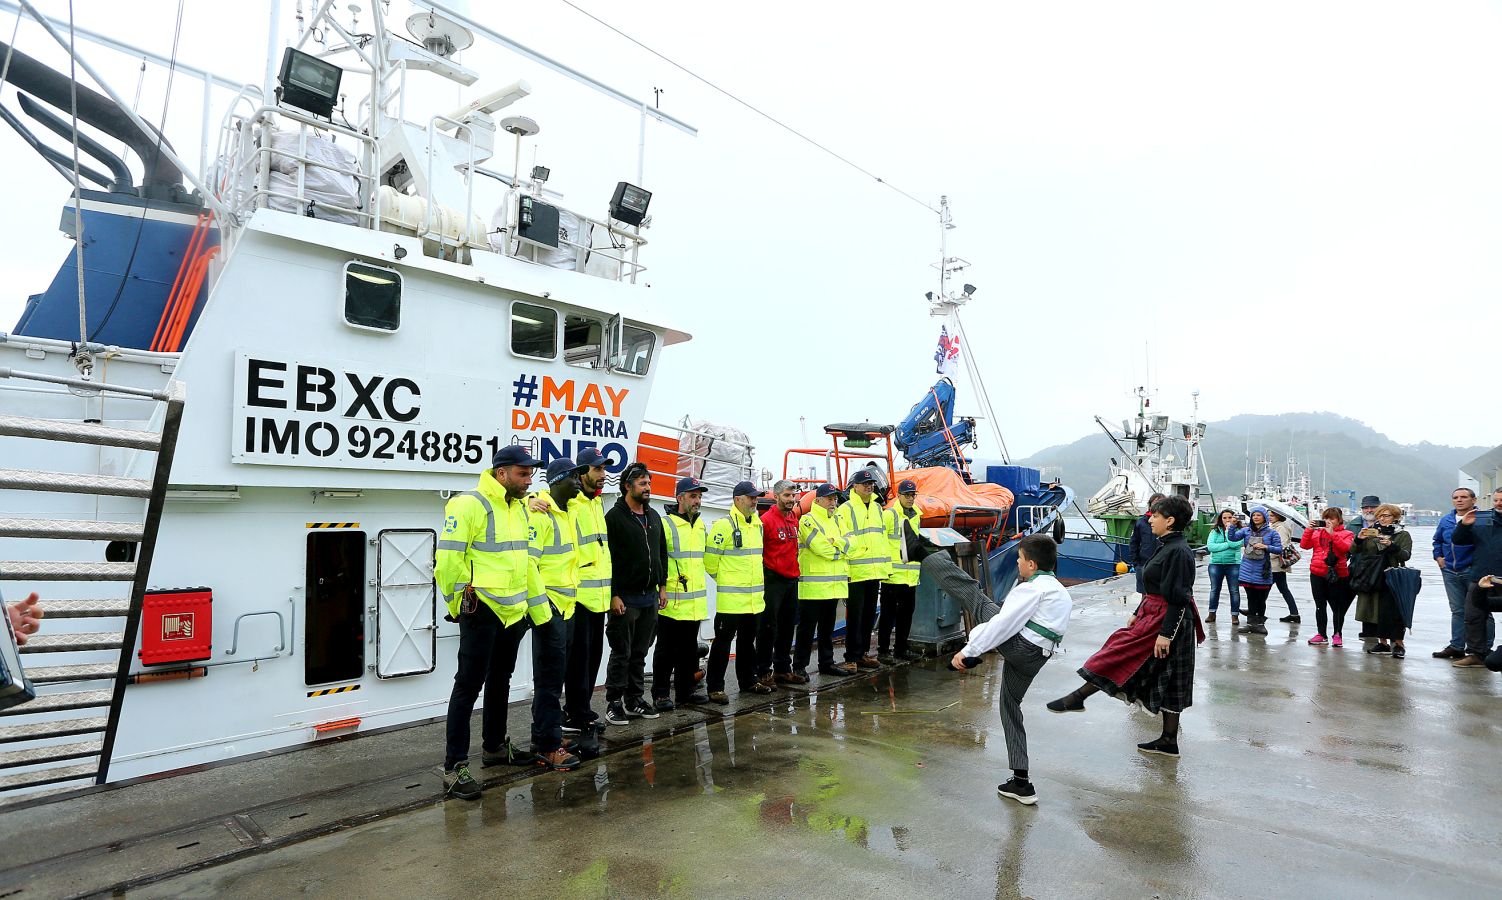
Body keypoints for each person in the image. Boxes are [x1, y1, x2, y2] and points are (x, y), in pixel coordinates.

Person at [435, 446, 559, 800]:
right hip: (482, 610)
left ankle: (493, 747)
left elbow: (525, 565)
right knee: (468, 686)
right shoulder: (468, 505)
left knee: (500, 679)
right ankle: (455, 766)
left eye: (530, 474)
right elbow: (446, 562)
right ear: (502, 473)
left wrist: (540, 615)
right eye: (523, 474)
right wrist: (458, 605)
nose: (529, 480)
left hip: (513, 612)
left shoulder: (520, 507)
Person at [1047, 495, 1203, 758]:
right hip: (1153, 613)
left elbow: (1179, 596)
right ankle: (1167, 740)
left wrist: (1166, 634)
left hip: (1167, 621)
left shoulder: (1178, 551)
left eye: (1155, 515)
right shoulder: (1167, 545)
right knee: (1157, 672)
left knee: (1124, 656)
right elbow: (1155, 588)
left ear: (1170, 520)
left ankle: (1078, 698)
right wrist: (1137, 611)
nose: (1150, 519)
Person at [931, 535, 1072, 806]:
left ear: (1031, 564)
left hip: (1022, 649)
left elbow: (1002, 626)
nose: (1017, 563)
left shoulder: (1030, 589)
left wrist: (968, 651)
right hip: (1038, 656)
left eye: (1019, 559)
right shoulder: (1059, 590)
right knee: (1010, 705)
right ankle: (1021, 782)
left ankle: (929, 556)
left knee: (977, 598)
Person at [526, 458, 587, 765]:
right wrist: (544, 609)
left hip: (566, 607)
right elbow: (530, 564)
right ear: (559, 480)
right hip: (550, 608)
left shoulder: (564, 512)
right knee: (549, 681)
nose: (579, 481)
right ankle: (548, 747)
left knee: (557, 676)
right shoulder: (542, 514)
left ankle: (546, 731)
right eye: (574, 476)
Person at [603, 461, 668, 725]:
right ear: (628, 486)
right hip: (625, 597)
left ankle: (634, 699)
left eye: (649, 483)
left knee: (640, 651)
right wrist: (614, 594)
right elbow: (608, 559)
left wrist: (662, 586)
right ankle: (614, 701)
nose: (648, 487)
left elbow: (662, 553)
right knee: (622, 651)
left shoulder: (653, 517)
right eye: (642, 483)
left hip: (649, 597)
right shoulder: (614, 518)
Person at [704, 481, 771, 702]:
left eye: (756, 497)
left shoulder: (757, 525)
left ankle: (748, 681)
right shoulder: (724, 525)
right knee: (722, 645)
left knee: (747, 644)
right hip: (730, 601)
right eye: (751, 497)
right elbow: (710, 561)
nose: (755, 501)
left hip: (752, 601)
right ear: (737, 500)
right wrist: (726, 581)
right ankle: (715, 687)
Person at [563, 448, 611, 739]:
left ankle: (583, 709)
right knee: (578, 661)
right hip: (580, 596)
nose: (603, 475)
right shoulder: (573, 503)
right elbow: (542, 501)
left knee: (593, 659)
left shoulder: (596, 504)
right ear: (581, 474)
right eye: (597, 470)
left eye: (603, 469)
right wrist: (535, 502)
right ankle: (574, 712)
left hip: (599, 597)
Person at [653, 477, 711, 710]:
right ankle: (660, 694)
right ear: (680, 498)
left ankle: (685, 692)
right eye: (693, 496)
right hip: (672, 600)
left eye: (699, 496)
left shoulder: (700, 525)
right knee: (666, 650)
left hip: (694, 601)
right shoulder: (665, 524)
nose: (697, 501)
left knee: (688, 651)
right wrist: (661, 588)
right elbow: (658, 559)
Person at [794, 483, 851, 678]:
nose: (833, 502)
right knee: (806, 630)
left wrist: (837, 545)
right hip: (812, 587)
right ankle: (799, 667)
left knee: (827, 629)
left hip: (833, 586)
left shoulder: (838, 519)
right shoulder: (807, 520)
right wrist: (839, 548)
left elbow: (851, 542)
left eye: (835, 498)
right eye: (829, 498)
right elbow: (821, 548)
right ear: (817, 500)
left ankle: (827, 663)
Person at [837, 469, 892, 669]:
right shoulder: (846, 509)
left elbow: (882, 539)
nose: (869, 486)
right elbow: (842, 540)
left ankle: (863, 654)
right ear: (855, 487)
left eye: (871, 483)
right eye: (865, 484)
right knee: (855, 616)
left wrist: (885, 567)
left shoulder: (878, 508)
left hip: (874, 571)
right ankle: (851, 656)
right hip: (856, 571)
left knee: (869, 615)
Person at [1352, 503, 1413, 657]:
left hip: (1394, 576)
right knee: (1377, 610)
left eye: (1387, 516)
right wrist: (1358, 539)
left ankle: (1398, 644)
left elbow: (1405, 555)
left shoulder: (1402, 534)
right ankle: (1383, 643)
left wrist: (1391, 545)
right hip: (1373, 575)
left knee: (1396, 611)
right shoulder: (1371, 533)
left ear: (1395, 517)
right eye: (1380, 515)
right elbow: (1353, 550)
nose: (1382, 518)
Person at [1433, 488, 1487, 659]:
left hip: (1473, 571)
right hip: (1450, 571)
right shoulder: (1446, 520)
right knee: (1457, 610)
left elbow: (1488, 545)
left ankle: (1483, 649)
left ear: (1474, 500)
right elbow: (1438, 540)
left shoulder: (1482, 520)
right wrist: (1439, 557)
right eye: (1456, 497)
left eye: (1464, 497)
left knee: (1482, 609)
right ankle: (1457, 646)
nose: (1459, 500)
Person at [757, 480, 801, 686]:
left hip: (791, 579)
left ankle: (783, 668)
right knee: (768, 627)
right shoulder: (766, 521)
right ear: (776, 497)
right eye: (787, 496)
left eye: (793, 496)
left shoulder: (794, 519)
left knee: (786, 626)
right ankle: (763, 671)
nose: (791, 500)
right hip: (773, 579)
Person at [1453, 488, 1502, 669]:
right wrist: (1464, 525)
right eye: (1496, 500)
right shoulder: (1481, 518)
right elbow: (1458, 541)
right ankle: (1476, 654)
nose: (1498, 503)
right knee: (1473, 615)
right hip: (1483, 577)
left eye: (1501, 500)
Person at [877, 479, 924, 665]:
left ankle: (901, 649)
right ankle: (883, 651)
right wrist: (884, 569)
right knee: (888, 615)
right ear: (899, 496)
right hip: (892, 576)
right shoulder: (890, 515)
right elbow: (881, 543)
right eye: (907, 495)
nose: (911, 498)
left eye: (913, 495)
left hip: (910, 575)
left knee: (906, 614)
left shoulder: (916, 516)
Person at [1300, 508, 1356, 647]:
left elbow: (1346, 548)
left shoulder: (1347, 533)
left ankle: (1337, 634)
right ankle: (1321, 634)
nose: (1328, 521)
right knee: (1320, 605)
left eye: (1332, 519)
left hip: (1337, 574)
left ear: (1339, 520)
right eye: (1326, 518)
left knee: (1337, 606)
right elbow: (1304, 545)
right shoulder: (1317, 532)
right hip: (1317, 573)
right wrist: (1308, 529)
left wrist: (1332, 534)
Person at [1229, 506, 1283, 636]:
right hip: (1247, 569)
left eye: (1258, 515)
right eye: (1254, 515)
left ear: (1264, 517)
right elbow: (1232, 538)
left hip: (1262, 571)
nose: (1256, 517)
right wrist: (1232, 526)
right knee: (1250, 598)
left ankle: (1260, 625)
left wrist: (1266, 547)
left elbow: (1279, 549)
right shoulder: (1246, 531)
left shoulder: (1272, 533)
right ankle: (1250, 624)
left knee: (1261, 599)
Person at [1205, 509, 1244, 625]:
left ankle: (1234, 615)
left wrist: (1228, 531)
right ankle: (1212, 613)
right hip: (1216, 564)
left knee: (1234, 590)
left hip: (1233, 564)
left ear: (1234, 518)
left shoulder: (1239, 531)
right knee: (1214, 589)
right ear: (1220, 519)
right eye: (1224, 518)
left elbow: (1235, 544)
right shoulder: (1214, 531)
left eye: (1229, 517)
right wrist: (1228, 545)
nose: (1227, 520)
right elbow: (1211, 547)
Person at [1353, 494, 1381, 638]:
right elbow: (1349, 548)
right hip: (1359, 568)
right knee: (1363, 600)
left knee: (1378, 600)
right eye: (1366, 507)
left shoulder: (1387, 525)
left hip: (1380, 568)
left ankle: (1380, 631)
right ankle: (1367, 631)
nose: (1369, 510)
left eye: (1372, 507)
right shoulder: (1354, 524)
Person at [1128, 493, 1167, 593]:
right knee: (1145, 597)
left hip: (1163, 566)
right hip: (1144, 565)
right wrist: (1136, 564)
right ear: (1150, 505)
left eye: (1161, 503)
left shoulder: (1168, 522)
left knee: (1161, 596)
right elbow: (1134, 543)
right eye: (1155, 503)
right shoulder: (1141, 523)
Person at [1267, 510, 1300, 622]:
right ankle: (1294, 614)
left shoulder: (1280, 528)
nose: (1270, 517)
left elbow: (1281, 546)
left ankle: (1256, 611)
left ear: (1278, 516)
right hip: (1276, 565)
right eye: (1269, 515)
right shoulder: (1274, 526)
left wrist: (1267, 555)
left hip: (1275, 565)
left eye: (1272, 515)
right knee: (1283, 589)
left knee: (1264, 588)